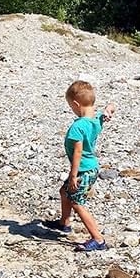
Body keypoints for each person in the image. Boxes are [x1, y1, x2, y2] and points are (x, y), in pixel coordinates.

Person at [44, 80, 116, 252]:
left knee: (77, 202)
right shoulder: (97, 118)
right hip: (91, 167)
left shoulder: (78, 127)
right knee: (64, 192)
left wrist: (73, 175)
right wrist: (108, 109)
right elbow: (113, 105)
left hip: (83, 169)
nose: (72, 110)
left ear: (76, 104)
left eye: (71, 107)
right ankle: (64, 223)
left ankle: (98, 239)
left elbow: (77, 152)